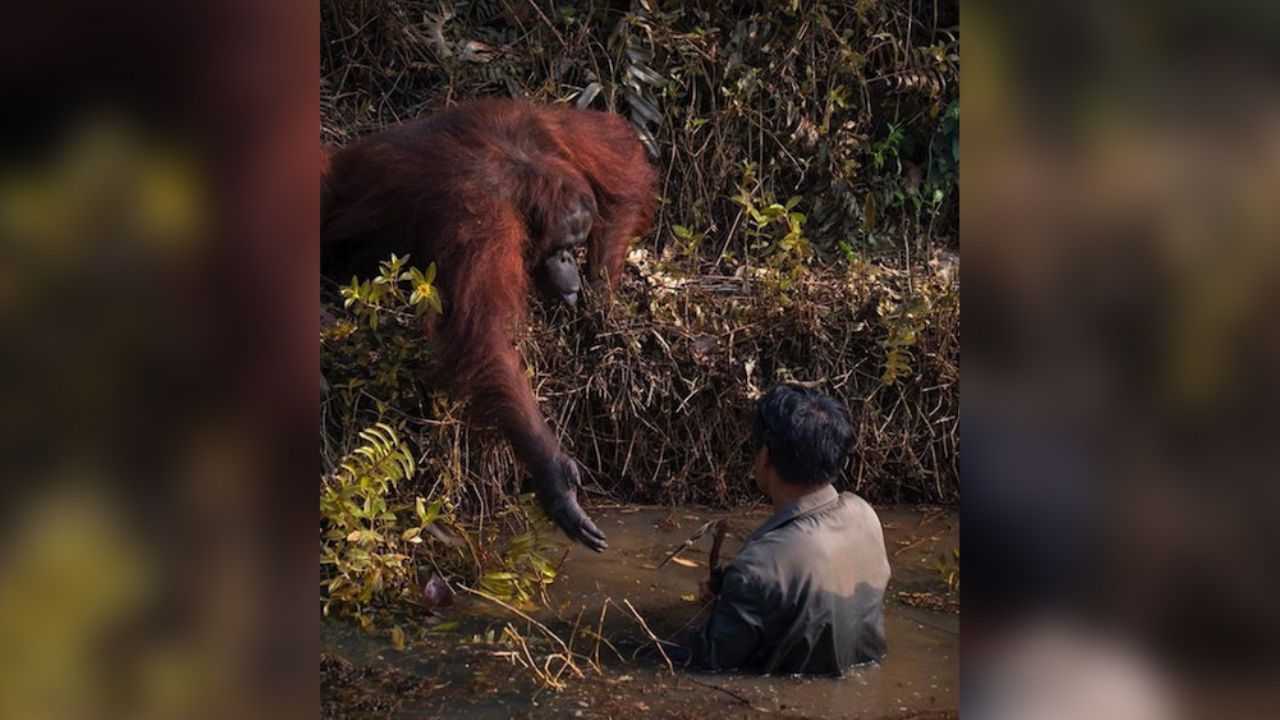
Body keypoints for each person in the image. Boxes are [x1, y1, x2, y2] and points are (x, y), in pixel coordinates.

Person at [683, 384, 891, 675]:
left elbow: (707, 664)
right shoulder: (864, 514)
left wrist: (715, 612)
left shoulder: (758, 567)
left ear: (765, 456)